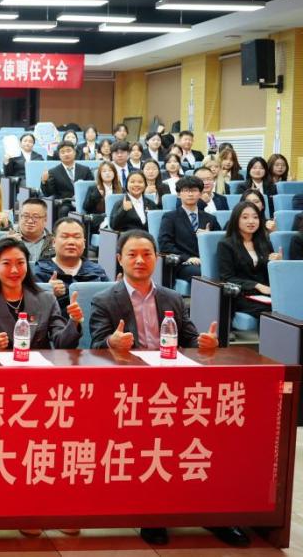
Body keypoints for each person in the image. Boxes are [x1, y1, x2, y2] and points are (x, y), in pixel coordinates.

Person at [87, 230, 243, 548]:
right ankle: (154, 513)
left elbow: (189, 338)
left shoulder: (171, 298)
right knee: (153, 446)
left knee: (212, 437)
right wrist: (111, 343)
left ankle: (215, 513)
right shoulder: (105, 300)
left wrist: (205, 343)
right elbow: (95, 347)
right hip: (129, 389)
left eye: (147, 254)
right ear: (119, 259)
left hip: (174, 385)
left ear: (156, 259)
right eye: (132, 254)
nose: (140, 260)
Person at [0, 238, 82, 350]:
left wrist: (74, 321)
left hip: (38, 361)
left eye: (20, 263)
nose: (14, 270)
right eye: (6, 263)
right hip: (1, 361)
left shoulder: (47, 300)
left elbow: (63, 345)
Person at [216, 201, 282, 320]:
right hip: (241, 294)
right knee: (272, 311)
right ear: (236, 220)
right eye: (245, 217)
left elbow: (268, 275)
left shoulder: (265, 242)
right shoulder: (226, 244)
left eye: (255, 217)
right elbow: (227, 278)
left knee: (287, 305)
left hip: (266, 293)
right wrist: (256, 285)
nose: (251, 221)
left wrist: (276, 264)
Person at [33, 217, 108, 318]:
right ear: (54, 242)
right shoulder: (40, 271)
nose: (71, 242)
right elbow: (30, 309)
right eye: (65, 237)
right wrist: (47, 292)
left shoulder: (97, 272)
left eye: (77, 237)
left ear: (84, 243)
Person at [159, 176, 220, 283]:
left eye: (194, 190)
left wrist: (208, 237)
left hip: (206, 262)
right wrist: (187, 258)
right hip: (182, 263)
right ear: (179, 194)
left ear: (200, 194)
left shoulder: (210, 218)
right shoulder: (170, 217)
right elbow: (165, 244)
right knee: (203, 273)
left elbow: (220, 243)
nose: (190, 194)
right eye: (186, 190)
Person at [9, 197, 54, 261]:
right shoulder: (7, 240)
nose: (30, 221)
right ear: (20, 217)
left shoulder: (54, 242)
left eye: (35, 217)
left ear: (45, 219)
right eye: (26, 216)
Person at [83, 161, 122, 234]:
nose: (107, 173)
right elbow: (86, 207)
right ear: (100, 174)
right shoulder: (93, 189)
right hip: (99, 221)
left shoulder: (121, 189)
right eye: (104, 171)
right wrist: (96, 195)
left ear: (115, 173)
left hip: (116, 220)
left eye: (110, 170)